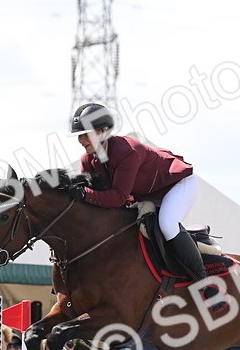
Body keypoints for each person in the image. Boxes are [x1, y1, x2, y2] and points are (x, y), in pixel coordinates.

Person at [63, 102, 221, 308]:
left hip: (176, 185)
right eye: (79, 135)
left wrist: (84, 193)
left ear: (103, 131)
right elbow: (101, 199)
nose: (81, 140)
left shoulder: (127, 151)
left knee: (167, 223)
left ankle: (204, 284)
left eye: (86, 134)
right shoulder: (88, 160)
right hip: (145, 195)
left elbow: (118, 197)